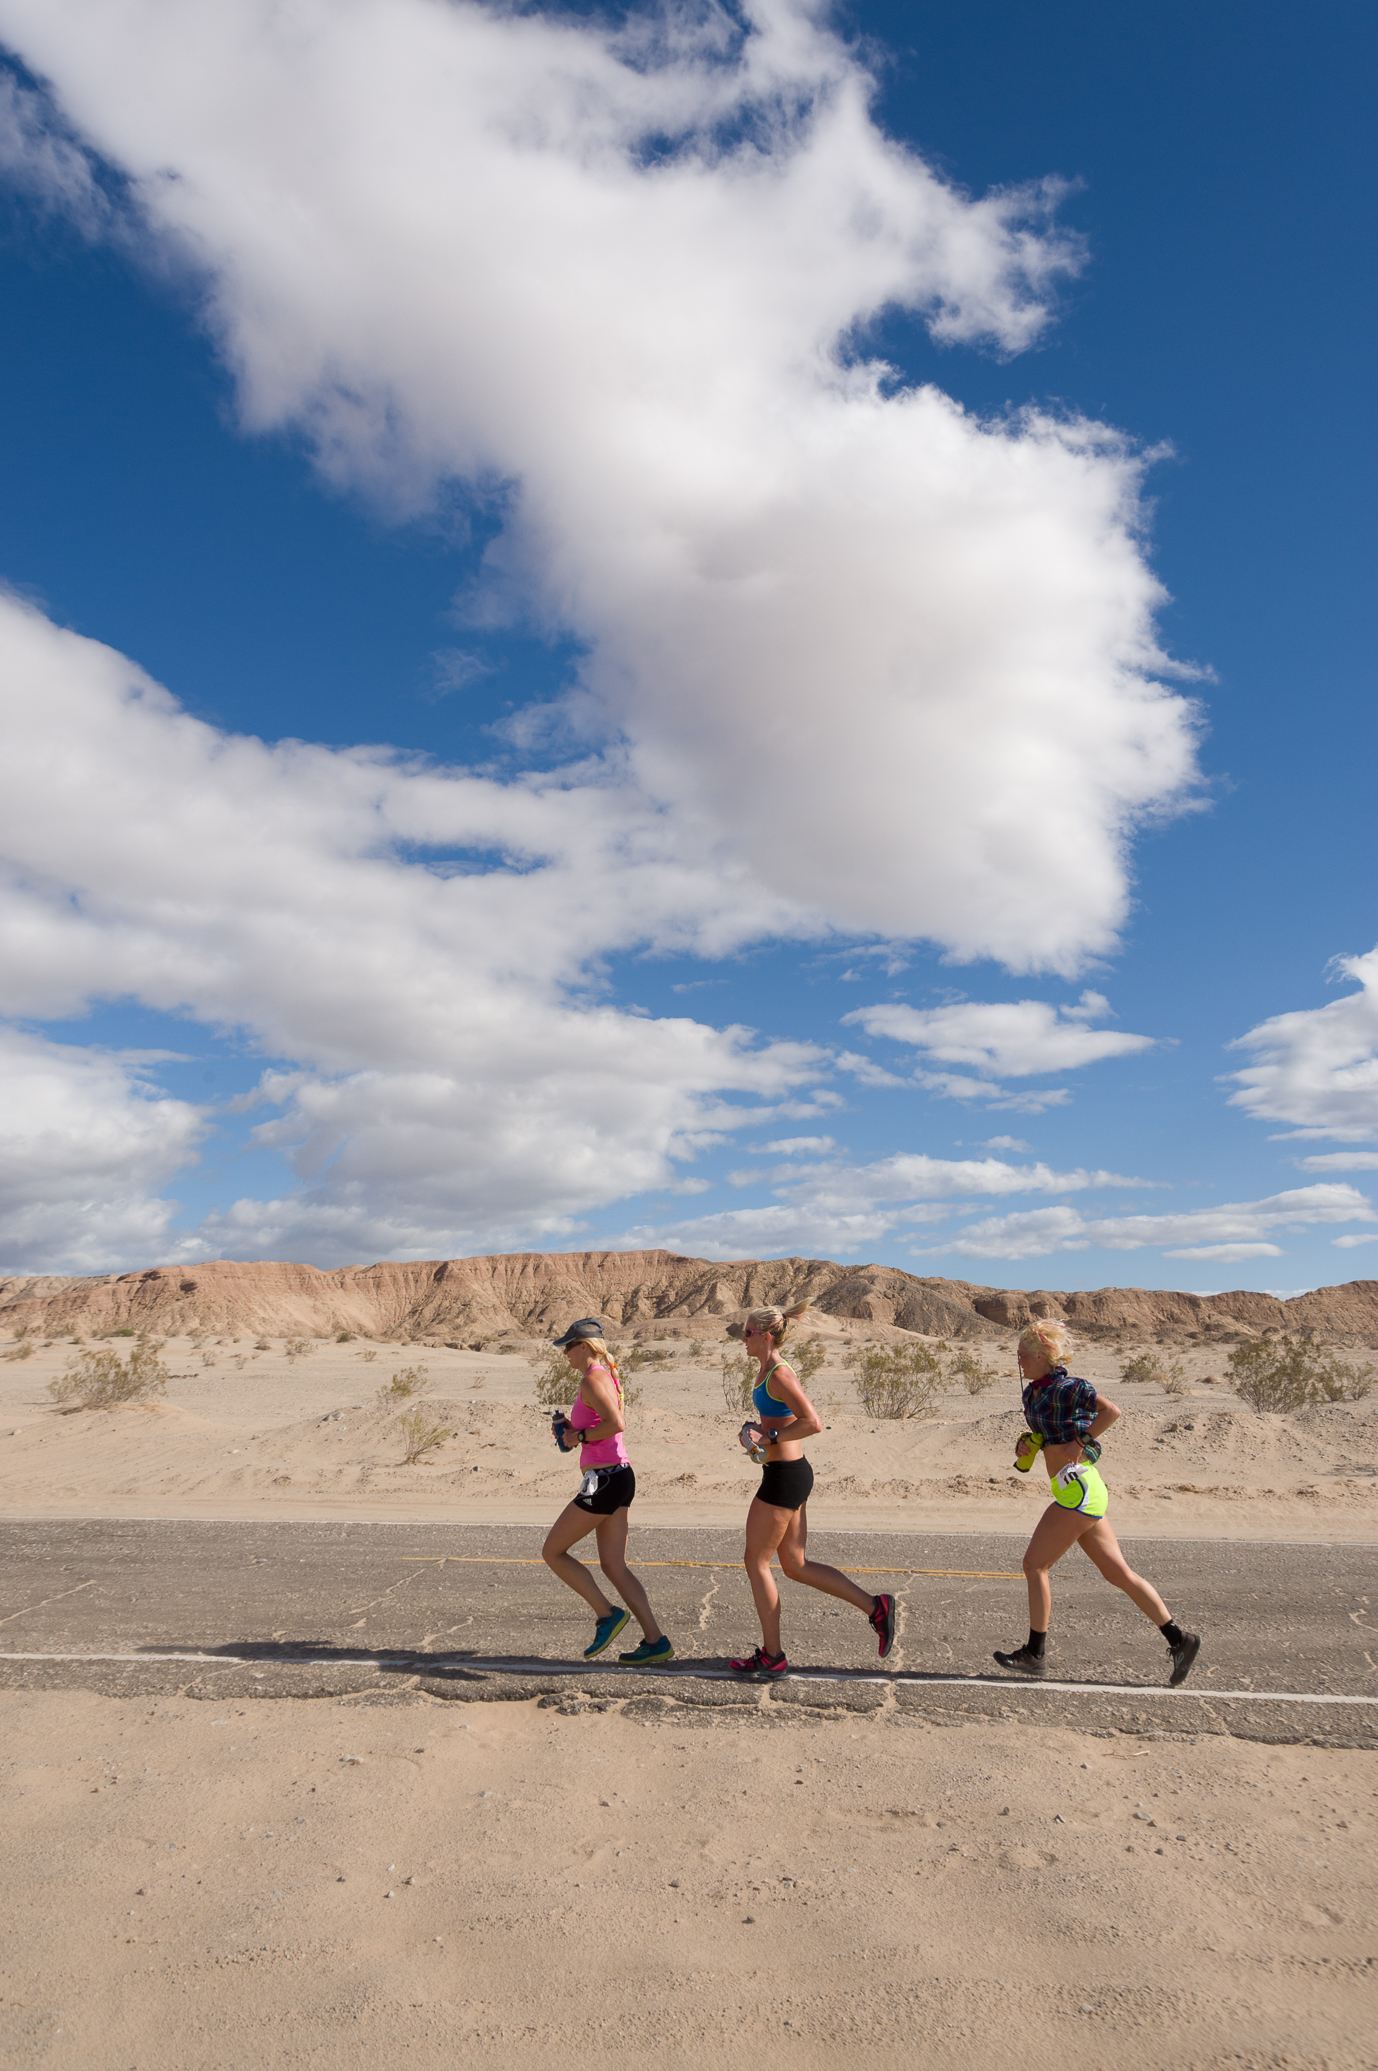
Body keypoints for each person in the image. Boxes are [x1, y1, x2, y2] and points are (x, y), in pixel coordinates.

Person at [994, 1319, 1201, 1685]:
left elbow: (1112, 1411)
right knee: (1117, 1573)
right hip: (1070, 1490)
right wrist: (1030, 1444)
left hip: (1080, 1491)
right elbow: (1047, 1433)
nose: (1019, 1361)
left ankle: (1034, 1653)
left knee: (1034, 1565)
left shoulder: (1071, 1387)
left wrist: (1083, 1441)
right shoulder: (1032, 1393)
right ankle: (1179, 1639)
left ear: (1043, 1356)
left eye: (1023, 1355)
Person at [726, 1300, 894, 1676]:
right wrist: (753, 1429)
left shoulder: (780, 1374)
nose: (743, 1338)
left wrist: (767, 1438)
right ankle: (876, 1608)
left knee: (756, 1562)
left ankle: (773, 1656)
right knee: (795, 1565)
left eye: (748, 1332)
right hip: (788, 1472)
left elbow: (813, 1423)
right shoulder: (767, 1370)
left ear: (766, 1336)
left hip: (785, 1477)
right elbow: (779, 1421)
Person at [540, 1316, 674, 1666]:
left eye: (569, 1346)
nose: (565, 1353)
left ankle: (606, 1615)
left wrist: (579, 1437)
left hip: (606, 1479)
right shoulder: (606, 1376)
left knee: (553, 1551)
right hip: (618, 1475)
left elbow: (617, 1425)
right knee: (614, 1565)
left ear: (584, 1346)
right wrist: (574, 1431)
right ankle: (655, 1641)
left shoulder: (592, 1380)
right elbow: (605, 1424)